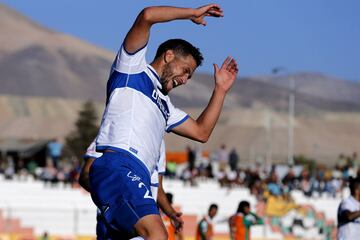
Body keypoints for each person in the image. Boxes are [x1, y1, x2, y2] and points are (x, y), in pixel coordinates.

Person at [89, 4, 238, 240]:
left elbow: (201, 132)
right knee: (157, 235)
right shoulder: (132, 69)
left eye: (189, 76)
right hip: (119, 166)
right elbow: (147, 16)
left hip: (136, 177)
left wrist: (220, 90)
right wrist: (192, 14)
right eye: (185, 70)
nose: (185, 80)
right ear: (168, 56)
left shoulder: (166, 107)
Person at [80, 139, 183, 239]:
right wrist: (113, 197)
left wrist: (171, 213)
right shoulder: (111, 132)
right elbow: (85, 176)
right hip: (114, 215)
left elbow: (158, 187)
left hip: (145, 213)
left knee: (158, 235)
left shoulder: (159, 142)